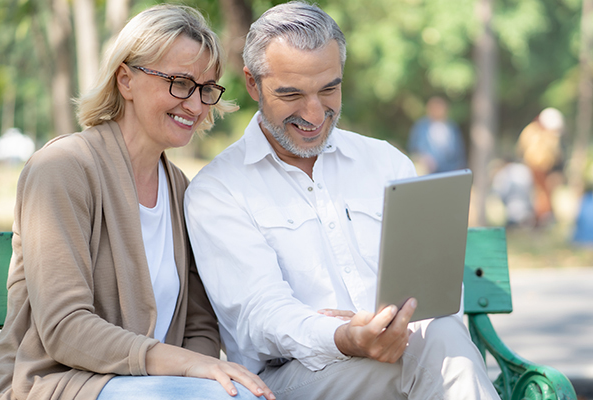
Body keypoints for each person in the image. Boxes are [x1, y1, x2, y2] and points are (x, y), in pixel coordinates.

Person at [185, 2, 500, 399]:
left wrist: (385, 326)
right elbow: (260, 314)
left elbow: (434, 287)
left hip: (407, 353)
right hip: (290, 381)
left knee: (440, 337)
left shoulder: (385, 161)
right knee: (433, 361)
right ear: (252, 83)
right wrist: (345, 338)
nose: (314, 113)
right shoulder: (218, 190)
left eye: (329, 89)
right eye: (292, 93)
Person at [0, 5, 274, 400]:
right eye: (179, 82)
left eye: (206, 89)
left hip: (154, 388)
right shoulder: (63, 168)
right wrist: (185, 368)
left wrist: (198, 374)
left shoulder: (182, 191)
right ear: (126, 79)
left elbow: (199, 324)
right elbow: (65, 327)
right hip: (56, 384)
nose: (194, 105)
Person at [516, 107, 565, 227]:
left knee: (545, 195)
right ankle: (536, 219)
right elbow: (522, 150)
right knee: (537, 195)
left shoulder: (551, 135)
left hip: (546, 170)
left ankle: (543, 219)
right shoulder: (531, 131)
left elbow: (556, 154)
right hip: (533, 168)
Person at [407, 96, 467, 174]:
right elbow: (413, 150)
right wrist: (422, 160)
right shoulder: (420, 127)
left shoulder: (452, 127)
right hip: (427, 174)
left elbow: (459, 153)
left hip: (450, 172)